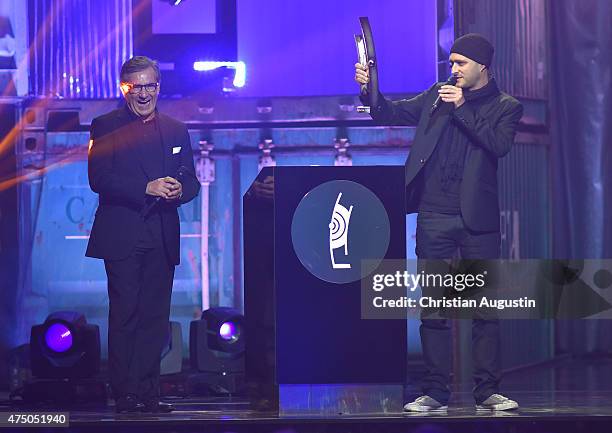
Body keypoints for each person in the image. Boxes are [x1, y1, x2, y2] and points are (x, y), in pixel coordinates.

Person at [355, 33, 523, 412]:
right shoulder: (437, 94)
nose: (454, 70)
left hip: (476, 218)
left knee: (484, 308)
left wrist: (462, 108)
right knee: (433, 306)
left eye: (461, 63)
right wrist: (370, 92)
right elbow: (389, 113)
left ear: (483, 66)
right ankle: (434, 390)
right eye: (451, 63)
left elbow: (498, 145)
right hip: (433, 214)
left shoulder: (506, 106)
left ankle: (487, 391)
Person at [86, 56, 200, 413]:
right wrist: (147, 187)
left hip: (162, 233)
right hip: (123, 232)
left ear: (159, 87)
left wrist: (179, 189)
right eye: (136, 87)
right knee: (125, 314)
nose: (144, 93)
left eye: (150, 85)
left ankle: (150, 391)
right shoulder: (104, 126)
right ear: (125, 89)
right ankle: (125, 392)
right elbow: (99, 179)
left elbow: (191, 180)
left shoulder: (176, 129)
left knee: (154, 316)